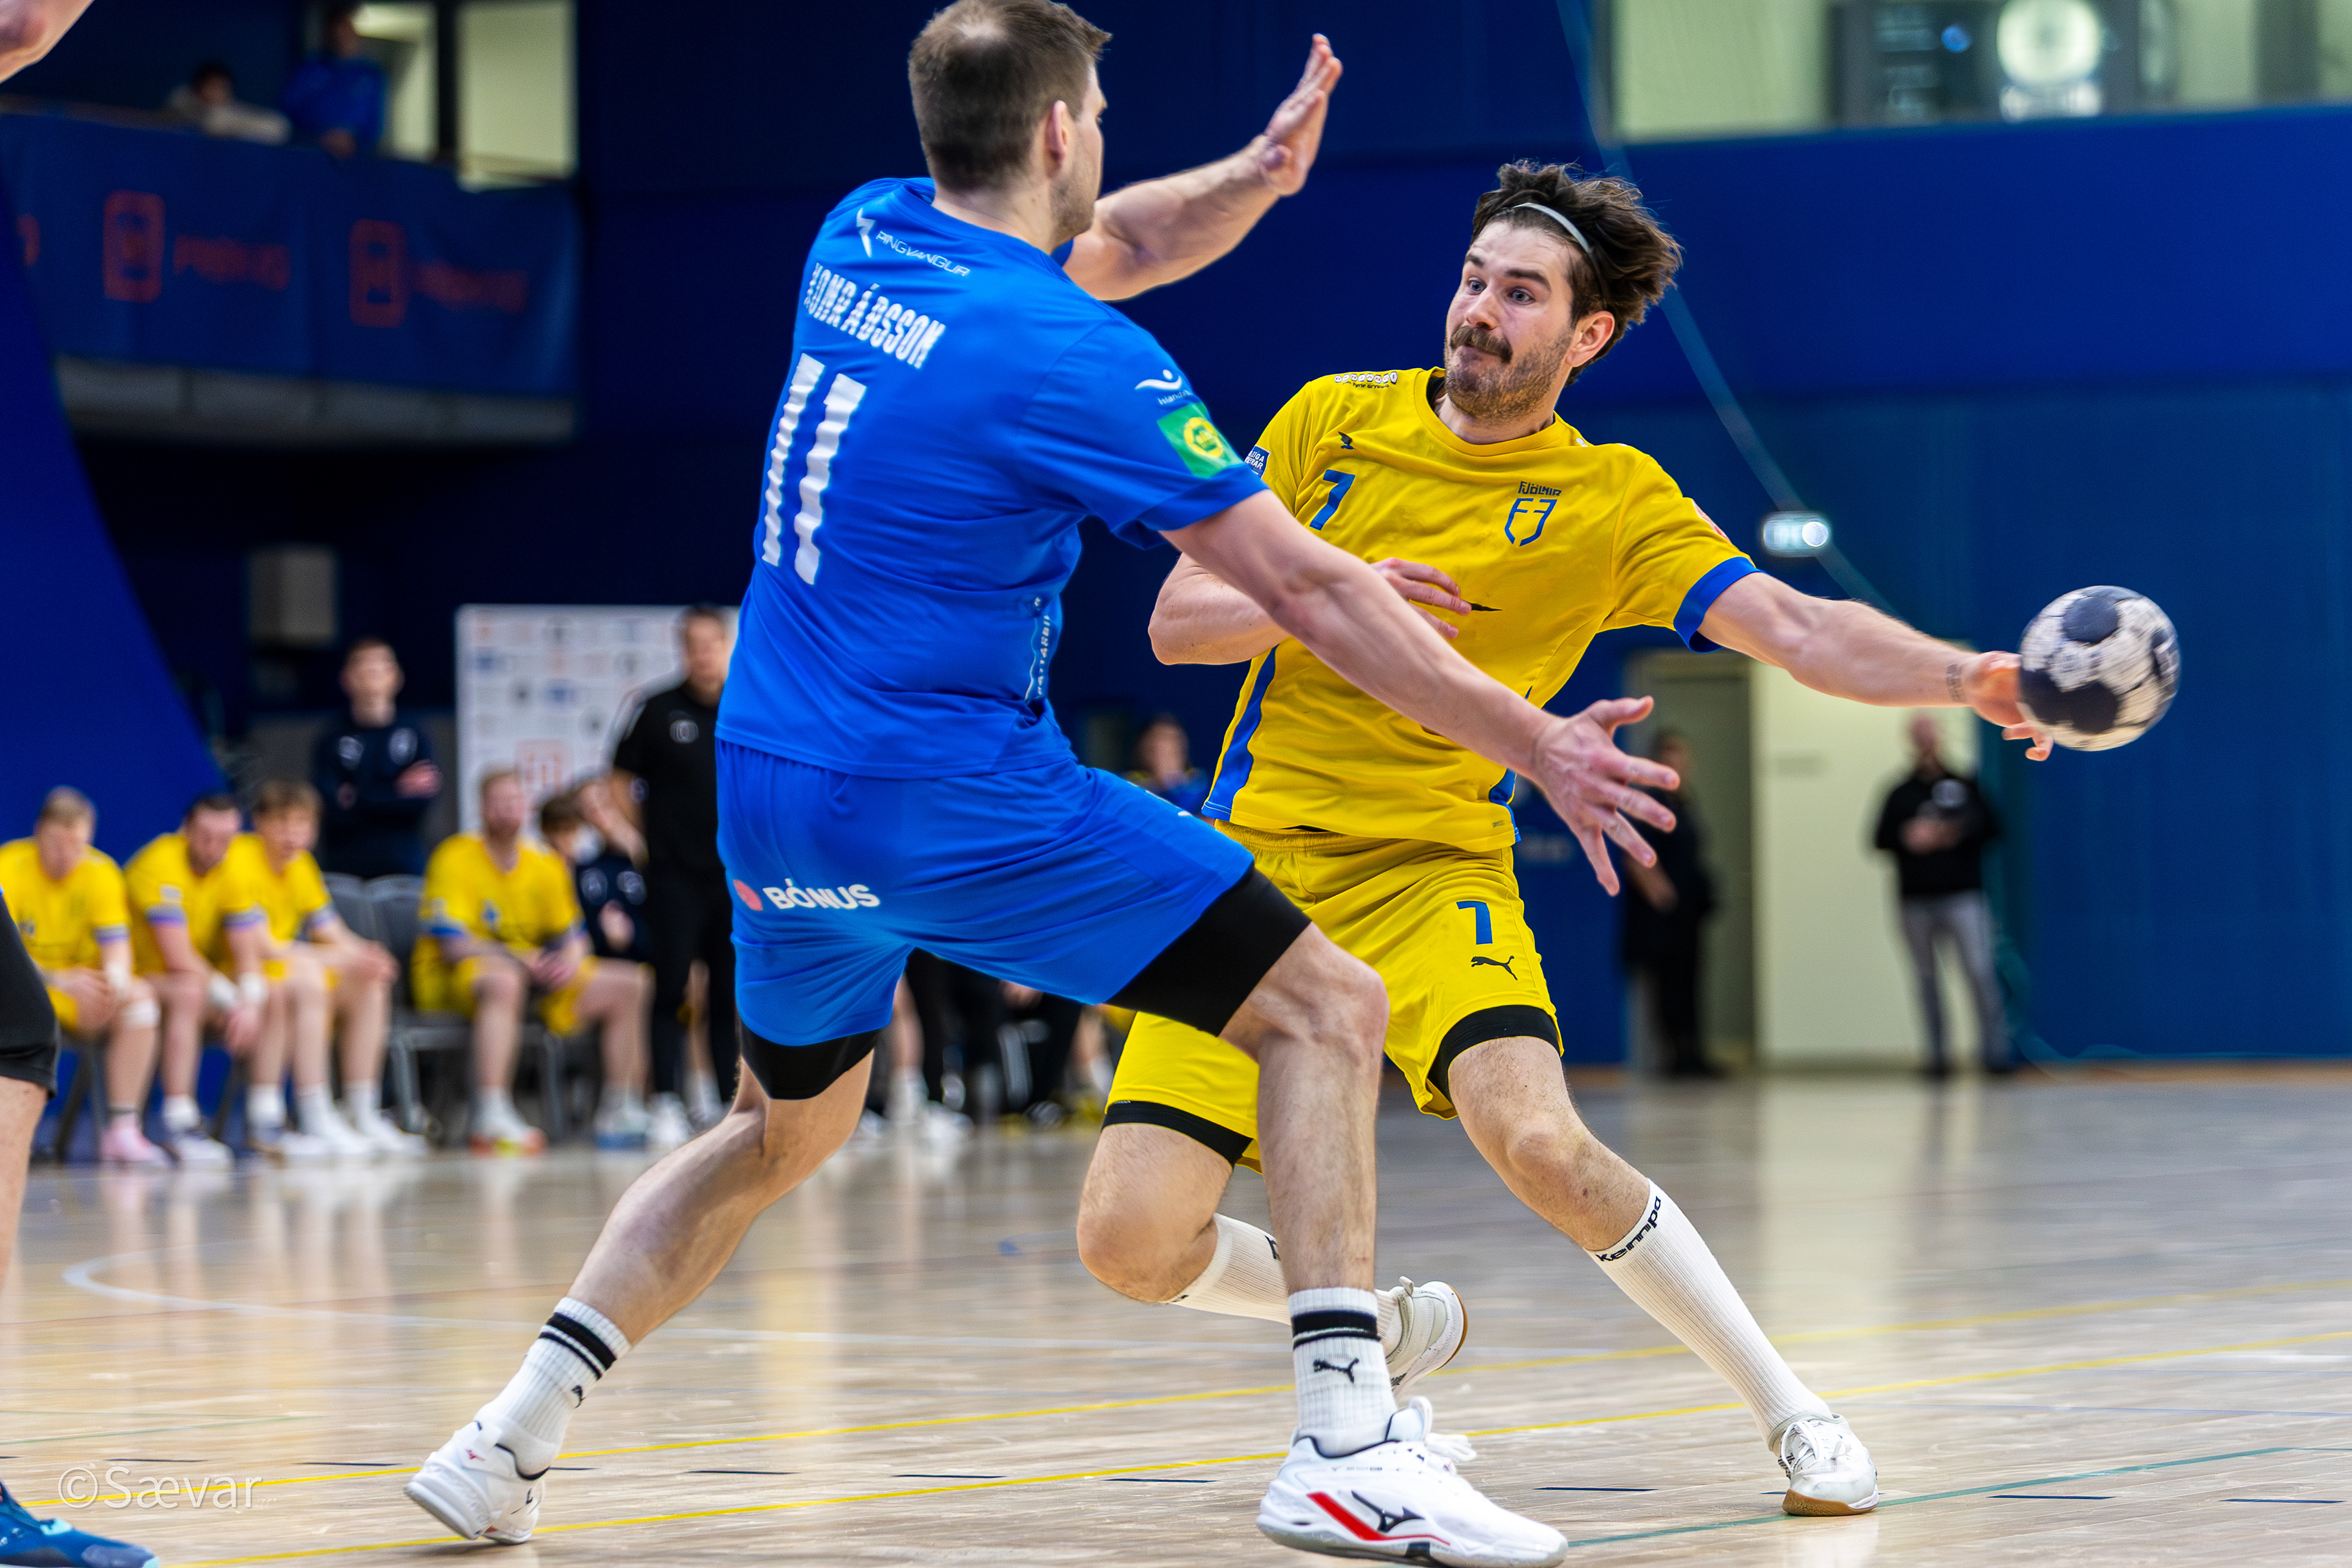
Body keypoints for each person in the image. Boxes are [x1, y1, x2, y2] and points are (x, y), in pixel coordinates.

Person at [405, 9, 1587, 1563]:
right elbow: (1304, 588)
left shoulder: (865, 233)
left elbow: (1126, 237)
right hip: (946, 790)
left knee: (775, 1127)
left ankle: (509, 1435)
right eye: (1097, 111)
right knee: (1325, 1006)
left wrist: (1257, 174)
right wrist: (1534, 738)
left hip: (771, 786)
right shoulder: (1075, 359)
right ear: (1055, 132)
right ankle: (1346, 1447)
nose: (1103, 137)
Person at [1077, 159, 2056, 1523]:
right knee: (1128, 1240)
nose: (1479, 310)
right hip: (1254, 871)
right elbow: (1177, 623)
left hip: (1430, 869)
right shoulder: (1329, 421)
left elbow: (1800, 629)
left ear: (1587, 334)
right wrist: (1327, 594)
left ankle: (1793, 1408)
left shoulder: (1611, 501)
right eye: (1473, 279)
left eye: (1521, 293)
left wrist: (1969, 676)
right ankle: (1389, 1326)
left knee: (1540, 1140)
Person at [412, 771, 649, 1156]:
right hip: (456, 977)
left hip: (534, 976)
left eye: (515, 801)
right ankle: (490, 1112)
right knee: (505, 980)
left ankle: (619, 1108)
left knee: (630, 983)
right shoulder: (454, 856)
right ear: (481, 808)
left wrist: (569, 963)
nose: (508, 810)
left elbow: (575, 938)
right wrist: (520, 958)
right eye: (498, 802)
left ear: (527, 808)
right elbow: (454, 946)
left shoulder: (544, 862)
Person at [228, 781, 423, 1155]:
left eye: (303, 824)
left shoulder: (302, 865)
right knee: (310, 979)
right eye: (282, 822)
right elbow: (265, 947)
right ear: (259, 823)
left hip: (285, 969)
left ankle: (362, 1110)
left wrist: (366, 953)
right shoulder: (239, 858)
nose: (293, 834)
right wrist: (340, 957)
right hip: (243, 971)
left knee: (369, 981)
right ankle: (315, 1112)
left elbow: (331, 931)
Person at [609, 606, 733, 1147]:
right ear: (682, 650)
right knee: (671, 987)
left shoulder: (748, 706)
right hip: (674, 875)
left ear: (726, 646)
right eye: (693, 645)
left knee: (728, 991)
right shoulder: (657, 709)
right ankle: (663, 1099)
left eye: (711, 644)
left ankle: (728, 1100)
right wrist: (644, 839)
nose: (703, 654)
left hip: (732, 874)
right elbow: (618, 779)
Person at [0, 789, 166, 1166]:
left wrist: (116, 981)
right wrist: (58, 979)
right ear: (38, 832)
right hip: (20, 991)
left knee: (139, 998)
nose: (66, 853)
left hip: (79, 993)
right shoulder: (8, 866)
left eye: (77, 843)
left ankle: (123, 1130)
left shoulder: (101, 872)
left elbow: (116, 946)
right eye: (56, 842)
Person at [127, 793, 279, 1164]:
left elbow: (247, 952)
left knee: (274, 992)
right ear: (186, 830)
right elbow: (177, 958)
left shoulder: (232, 868)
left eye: (225, 839)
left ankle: (266, 1121)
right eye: (206, 837)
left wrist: (251, 999)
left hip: (195, 982)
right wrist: (233, 1000)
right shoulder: (158, 862)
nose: (214, 848)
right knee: (190, 993)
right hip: (142, 978)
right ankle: (179, 1123)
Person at [1874, 713, 2012, 1077]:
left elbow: (1993, 828)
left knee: (1979, 972)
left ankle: (1994, 1054)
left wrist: (1950, 834)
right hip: (1915, 900)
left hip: (1963, 897)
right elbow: (1878, 839)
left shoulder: (1965, 785)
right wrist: (1909, 836)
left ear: (1941, 737)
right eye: (1918, 736)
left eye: (1930, 735)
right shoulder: (1900, 792)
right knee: (1926, 980)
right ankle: (1938, 1058)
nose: (1926, 743)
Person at [536, 790, 654, 1151]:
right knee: (632, 984)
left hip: (580, 972)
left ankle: (630, 1101)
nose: (566, 839)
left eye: (572, 829)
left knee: (644, 981)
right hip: (543, 978)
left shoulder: (591, 870)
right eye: (557, 830)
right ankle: (621, 1102)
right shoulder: (541, 869)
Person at [1619, 731, 1718, 1078]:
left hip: (1689, 915)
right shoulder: (1650, 804)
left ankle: (1694, 1053)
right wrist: (1663, 896)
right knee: (1669, 987)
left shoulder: (1686, 802)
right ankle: (1676, 1056)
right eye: (1671, 756)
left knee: (1690, 985)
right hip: (1665, 918)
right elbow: (1635, 856)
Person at [312, 638, 443, 879]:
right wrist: (396, 790)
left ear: (397, 677)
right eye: (363, 666)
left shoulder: (415, 732)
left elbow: (420, 802)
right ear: (346, 679)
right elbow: (330, 805)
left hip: (403, 864)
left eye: (381, 666)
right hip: (344, 863)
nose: (372, 672)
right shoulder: (331, 736)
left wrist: (357, 797)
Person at [279, 1, 383, 157]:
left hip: (354, 161)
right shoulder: (309, 69)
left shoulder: (371, 74)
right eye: (338, 33)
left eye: (348, 31)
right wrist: (315, 137)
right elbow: (285, 114)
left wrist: (354, 142)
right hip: (307, 155)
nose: (343, 37)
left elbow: (374, 125)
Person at [164, 58, 290, 143]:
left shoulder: (232, 112)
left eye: (222, 88)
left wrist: (234, 135)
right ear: (198, 88)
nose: (217, 93)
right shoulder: (181, 104)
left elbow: (279, 128)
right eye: (212, 86)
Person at [1126, 711, 1210, 813]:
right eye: (1158, 743)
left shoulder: (1205, 790)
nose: (1166, 749)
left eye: (1173, 742)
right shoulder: (1128, 789)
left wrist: (1173, 783)